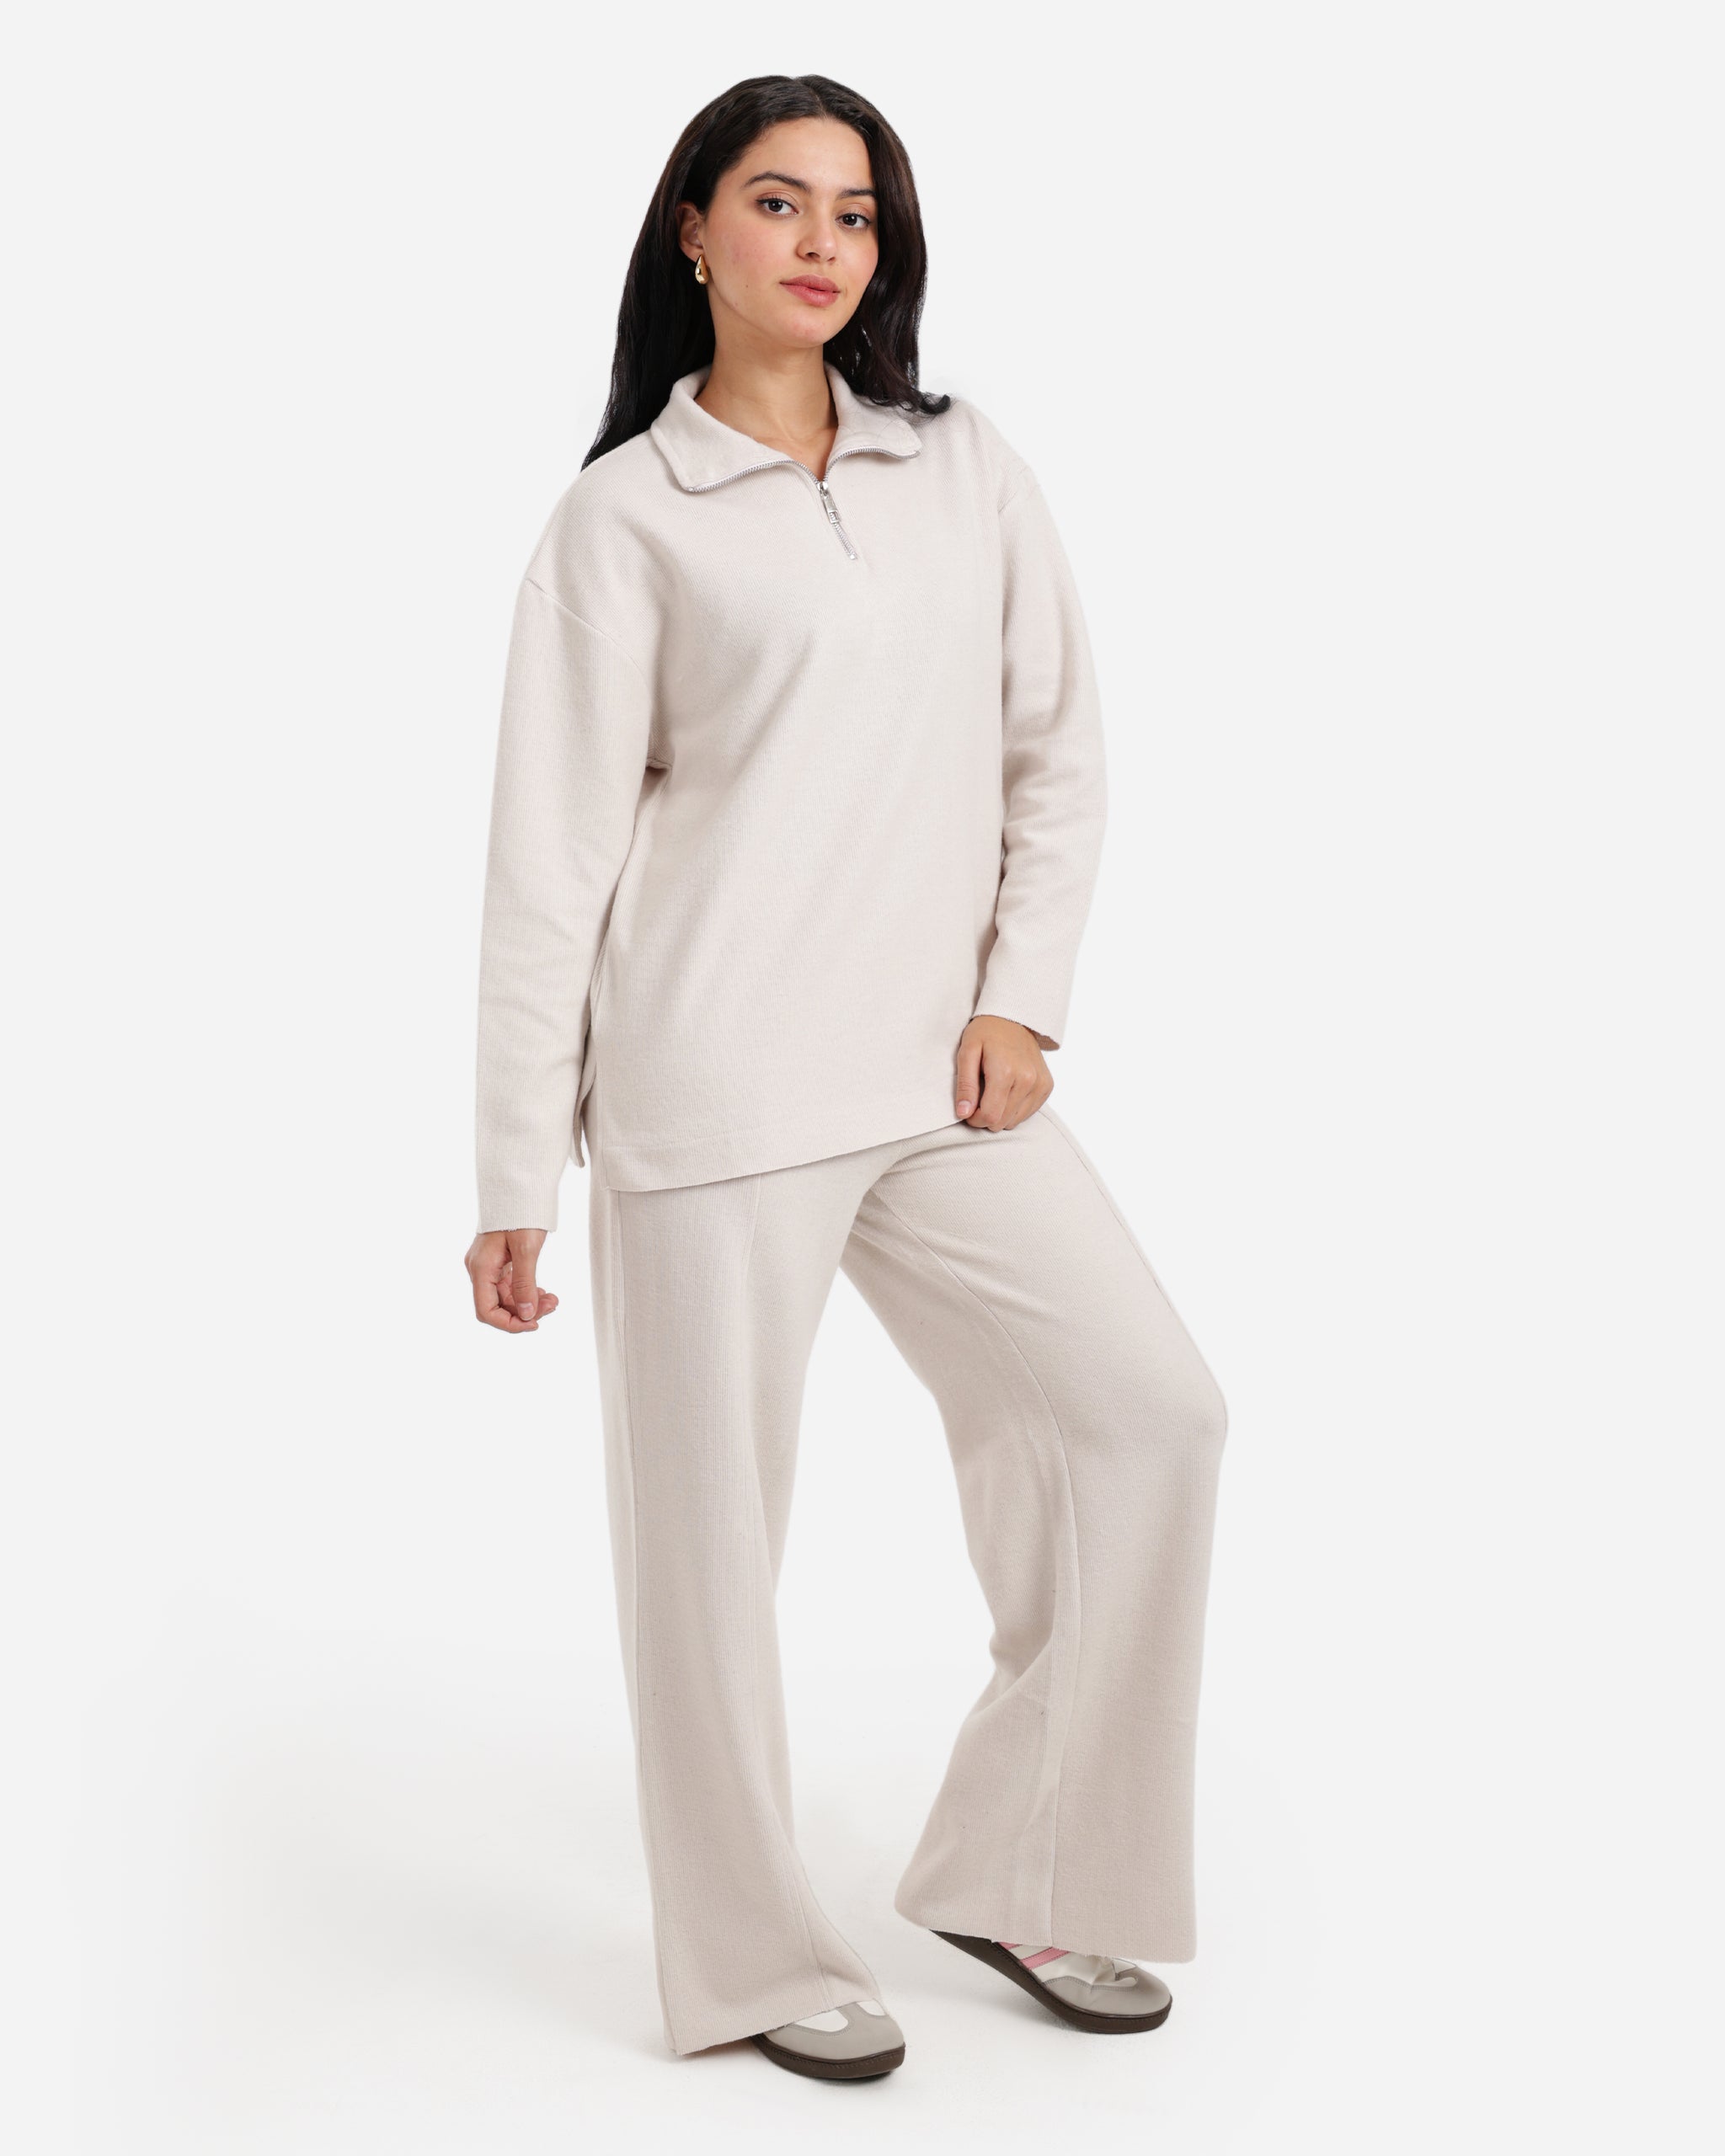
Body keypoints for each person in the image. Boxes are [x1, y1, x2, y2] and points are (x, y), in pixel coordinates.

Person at [464, 72, 1228, 2081]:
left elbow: (1056, 746)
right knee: (709, 1554)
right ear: (693, 232)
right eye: (778, 202)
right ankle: (745, 1958)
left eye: (857, 211)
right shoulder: (624, 519)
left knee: (1146, 1414)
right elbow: (547, 863)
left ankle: (1027, 1861)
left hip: (938, 1082)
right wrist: (514, 1171)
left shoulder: (961, 466)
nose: (822, 242)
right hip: (710, 1092)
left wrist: (1023, 999)